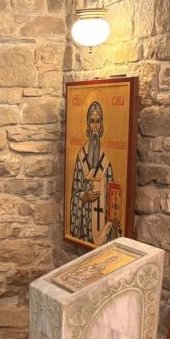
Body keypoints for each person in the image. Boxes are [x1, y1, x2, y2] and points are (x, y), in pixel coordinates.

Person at [68, 101, 120, 245]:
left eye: (98, 121)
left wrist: (114, 216)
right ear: (88, 124)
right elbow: (74, 193)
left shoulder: (106, 160)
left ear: (102, 124)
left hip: (102, 220)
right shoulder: (80, 157)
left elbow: (113, 193)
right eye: (92, 121)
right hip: (85, 218)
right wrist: (84, 196)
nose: (95, 126)